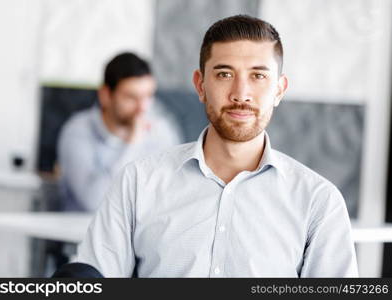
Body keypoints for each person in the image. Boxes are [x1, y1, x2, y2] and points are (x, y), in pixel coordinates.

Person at [76, 15, 358, 277]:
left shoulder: (319, 202)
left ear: (279, 90)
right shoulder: (138, 182)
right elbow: (93, 279)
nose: (241, 94)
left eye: (258, 76)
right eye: (224, 74)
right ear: (200, 85)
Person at [57, 52, 182, 212]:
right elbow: (96, 202)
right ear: (106, 95)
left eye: (148, 96)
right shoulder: (78, 132)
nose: (142, 108)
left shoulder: (161, 130)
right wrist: (133, 143)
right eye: (131, 97)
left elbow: (175, 194)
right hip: (84, 233)